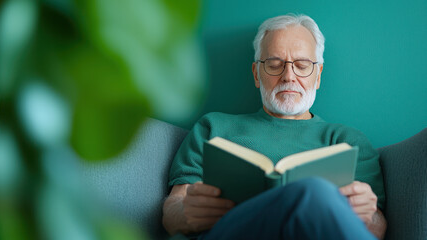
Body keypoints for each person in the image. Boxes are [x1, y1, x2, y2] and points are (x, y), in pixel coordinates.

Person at [162, 14, 387, 240]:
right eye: (274, 65)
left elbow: (376, 229)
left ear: (318, 76)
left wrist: (368, 215)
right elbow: (171, 213)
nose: (288, 76)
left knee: (315, 194)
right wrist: (186, 212)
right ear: (256, 74)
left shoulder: (348, 142)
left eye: (302, 65)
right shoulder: (213, 128)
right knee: (314, 192)